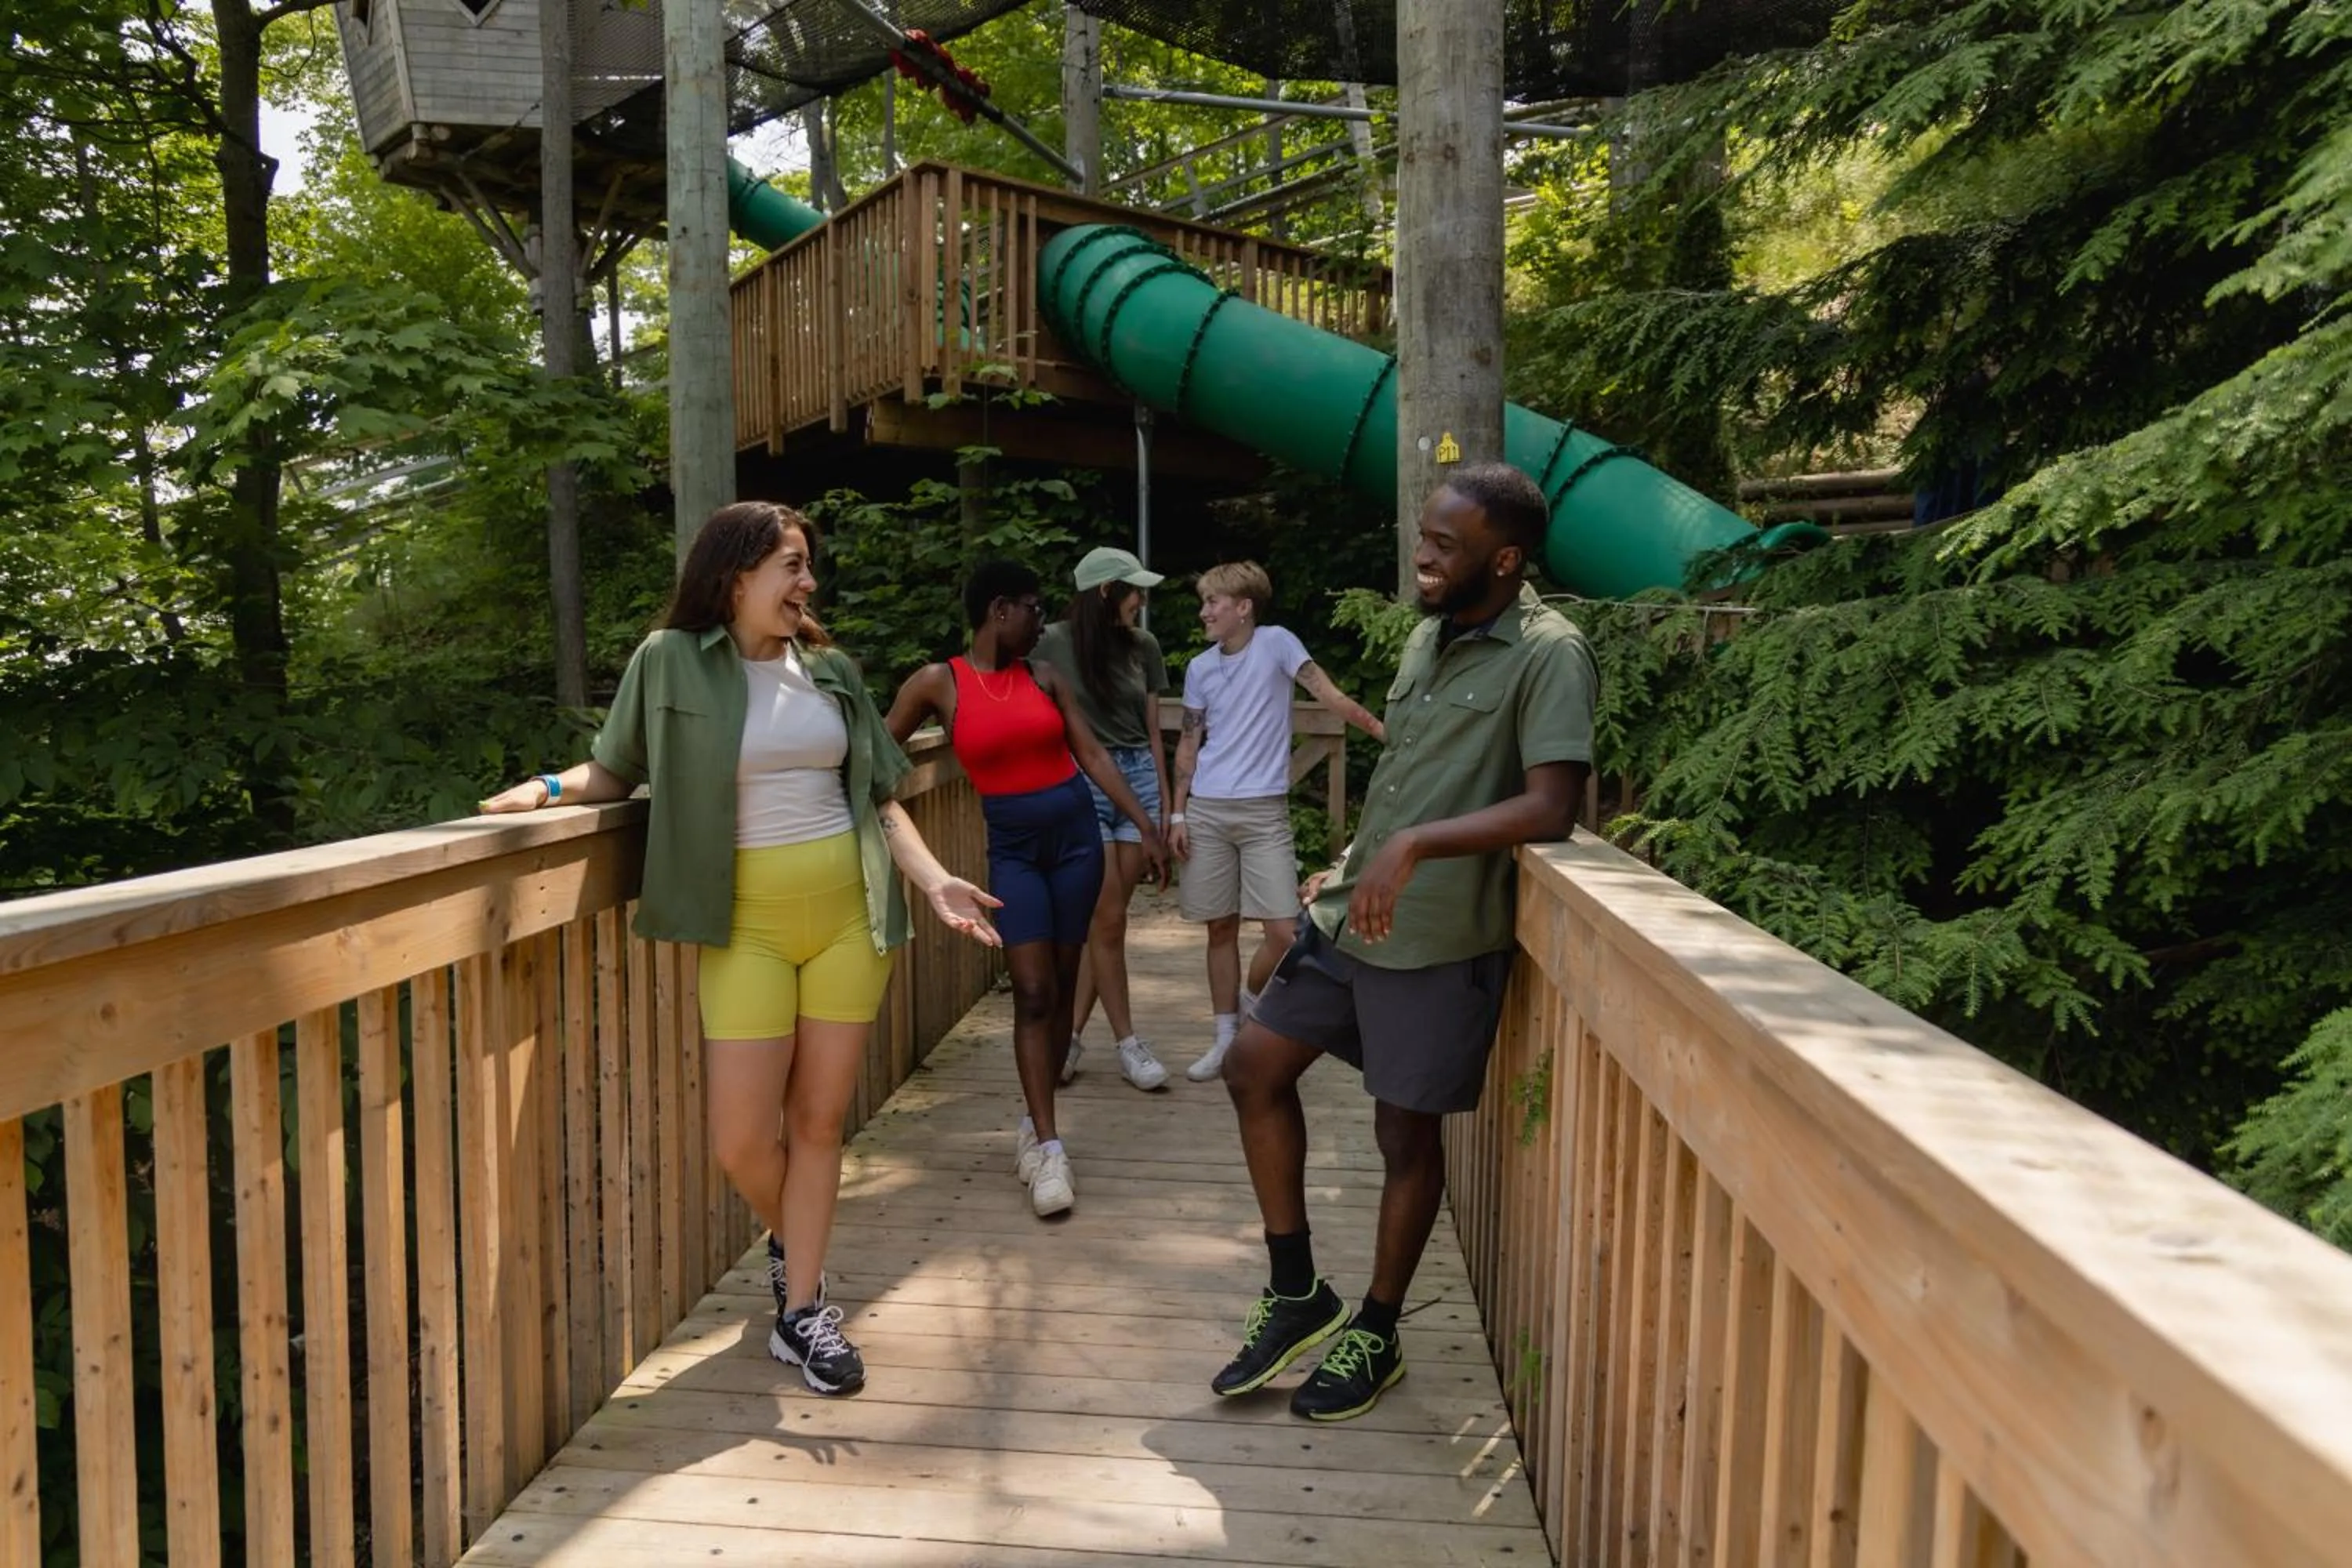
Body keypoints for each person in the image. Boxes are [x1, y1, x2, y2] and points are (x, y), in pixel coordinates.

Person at [480, 501, 1002, 1399]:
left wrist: (933, 880)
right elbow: (617, 768)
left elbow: (880, 795)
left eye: (807, 566)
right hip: (743, 924)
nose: (808, 583)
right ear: (735, 575)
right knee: (741, 1140)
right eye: (792, 565)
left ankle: (803, 1312)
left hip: (848, 918)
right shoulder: (668, 659)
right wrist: (548, 788)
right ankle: (797, 1241)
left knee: (819, 1124)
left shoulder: (831, 670)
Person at [1210, 465, 1597, 1422]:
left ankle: (1377, 1329)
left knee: (1403, 1132)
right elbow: (1412, 772)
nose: (1423, 556)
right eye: (1423, 535)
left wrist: (1417, 844)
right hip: (1352, 914)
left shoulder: (1551, 652)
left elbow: (1552, 804)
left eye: (1445, 545)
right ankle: (1297, 1290)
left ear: (1505, 559)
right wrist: (1359, 855)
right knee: (1254, 1065)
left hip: (1438, 932)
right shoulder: (1430, 634)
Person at [884, 559, 1169, 1218]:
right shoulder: (938, 682)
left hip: (1076, 843)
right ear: (1000, 610)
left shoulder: (1045, 676)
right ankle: (1049, 1147)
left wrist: (1145, 824)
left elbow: (1092, 755)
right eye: (1034, 609)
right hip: (1014, 852)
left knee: (1062, 987)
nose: (1042, 621)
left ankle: (1037, 1126)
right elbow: (879, 752)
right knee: (1033, 990)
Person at [1168, 561, 1384, 1084]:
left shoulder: (1277, 643)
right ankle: (1225, 1038)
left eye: (1213, 602)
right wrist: (1177, 812)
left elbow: (1329, 696)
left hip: (1264, 810)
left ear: (1244, 607)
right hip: (1207, 809)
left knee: (1285, 931)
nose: (1204, 612)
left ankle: (1250, 1006)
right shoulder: (1199, 668)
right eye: (1203, 602)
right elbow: (1189, 743)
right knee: (1219, 926)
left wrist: (1386, 733)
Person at [1029, 546, 1174, 1092]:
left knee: (1106, 925)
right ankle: (1128, 1043)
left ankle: (1068, 1038)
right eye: (1135, 591)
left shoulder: (1144, 646)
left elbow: (1154, 733)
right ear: (1107, 591)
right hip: (1082, 778)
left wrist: (1164, 809)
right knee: (1108, 918)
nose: (1142, 601)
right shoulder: (1049, 642)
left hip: (1138, 780)